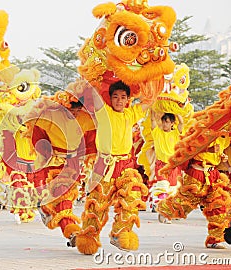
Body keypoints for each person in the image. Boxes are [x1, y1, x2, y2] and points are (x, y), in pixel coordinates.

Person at [75, 80, 150, 255]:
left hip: (126, 166)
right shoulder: (104, 113)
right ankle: (88, 238)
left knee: (132, 196)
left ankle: (120, 233)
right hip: (104, 167)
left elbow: (149, 102)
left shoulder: (130, 114)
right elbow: (89, 94)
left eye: (123, 97)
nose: (119, 100)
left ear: (127, 100)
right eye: (115, 97)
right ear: (110, 99)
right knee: (97, 206)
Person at [32, 94, 96, 247]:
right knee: (63, 198)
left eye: (78, 109)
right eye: (71, 109)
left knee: (66, 198)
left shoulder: (86, 119)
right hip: (54, 163)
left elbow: (91, 140)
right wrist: (46, 150)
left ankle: (47, 209)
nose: (74, 113)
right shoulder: (51, 116)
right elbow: (37, 133)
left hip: (73, 165)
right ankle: (71, 230)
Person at [157, 135, 231, 249]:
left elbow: (216, 154)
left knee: (218, 207)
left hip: (213, 175)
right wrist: (208, 150)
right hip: (196, 174)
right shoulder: (204, 130)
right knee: (185, 204)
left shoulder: (224, 138)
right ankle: (165, 209)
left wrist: (221, 156)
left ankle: (214, 240)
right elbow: (189, 149)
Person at [147, 111, 183, 213]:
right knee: (163, 185)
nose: (164, 124)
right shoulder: (157, 132)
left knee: (172, 190)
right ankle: (162, 208)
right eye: (163, 122)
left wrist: (174, 109)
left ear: (172, 123)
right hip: (161, 165)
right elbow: (153, 120)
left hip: (173, 166)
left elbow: (181, 123)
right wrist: (154, 110)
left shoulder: (175, 133)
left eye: (167, 122)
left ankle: (164, 206)